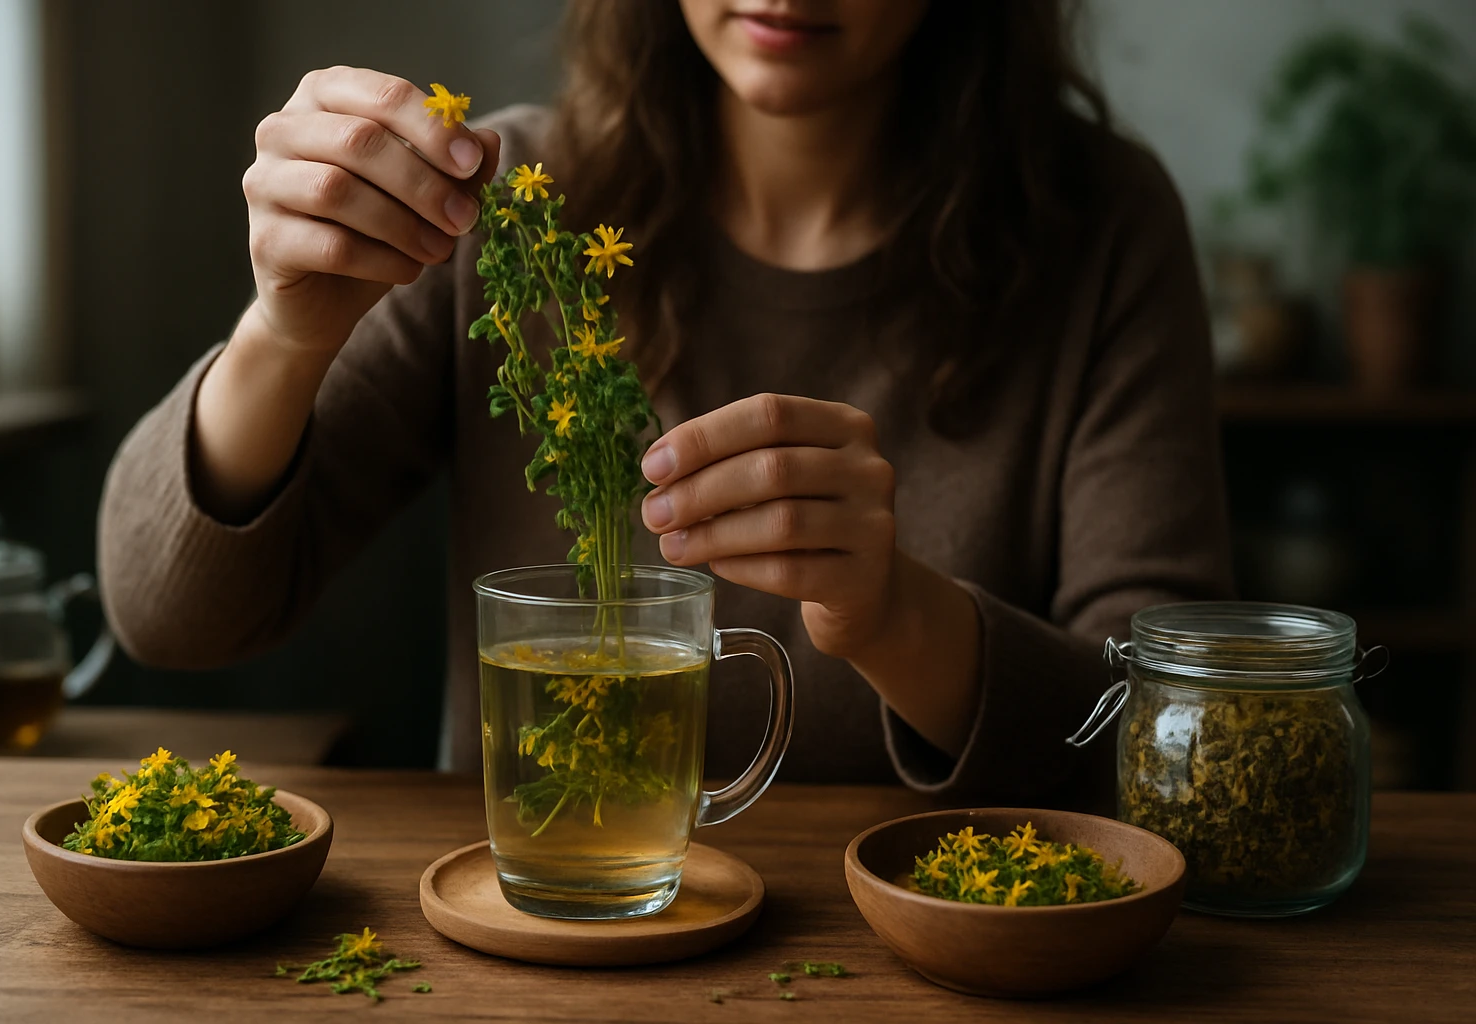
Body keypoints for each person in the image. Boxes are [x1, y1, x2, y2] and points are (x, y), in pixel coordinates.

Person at [98, 0, 1231, 803]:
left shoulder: (1102, 228)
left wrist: (895, 615)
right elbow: (169, 616)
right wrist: (284, 335)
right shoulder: (505, 210)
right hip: (539, 933)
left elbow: (1175, 741)